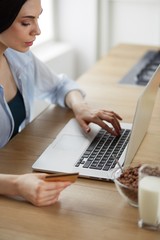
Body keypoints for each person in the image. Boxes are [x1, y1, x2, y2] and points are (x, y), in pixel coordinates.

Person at [0, 0, 122, 206]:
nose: (37, 31)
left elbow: (59, 86)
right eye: (26, 23)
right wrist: (16, 184)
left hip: (16, 163)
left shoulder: (16, 56)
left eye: (38, 18)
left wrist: (81, 107)